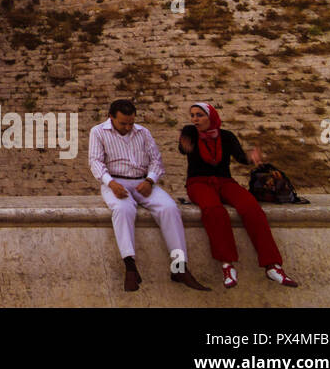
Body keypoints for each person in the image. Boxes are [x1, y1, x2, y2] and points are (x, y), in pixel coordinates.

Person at [89, 99, 208, 292]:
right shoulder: (98, 132)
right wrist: (111, 183)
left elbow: (156, 161)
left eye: (131, 123)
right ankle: (130, 267)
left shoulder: (143, 132)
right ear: (110, 117)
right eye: (123, 123)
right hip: (115, 182)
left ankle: (179, 267)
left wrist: (150, 180)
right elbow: (95, 162)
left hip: (143, 182)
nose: (128, 127)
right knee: (122, 209)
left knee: (170, 208)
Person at [179, 102, 298, 289]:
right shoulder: (191, 132)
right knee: (214, 211)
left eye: (200, 115)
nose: (195, 119)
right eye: (192, 115)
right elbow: (184, 144)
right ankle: (227, 264)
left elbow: (240, 157)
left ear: (211, 117)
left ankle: (272, 265)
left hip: (225, 181)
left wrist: (251, 158)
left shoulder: (226, 136)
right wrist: (185, 145)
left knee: (251, 208)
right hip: (198, 182)